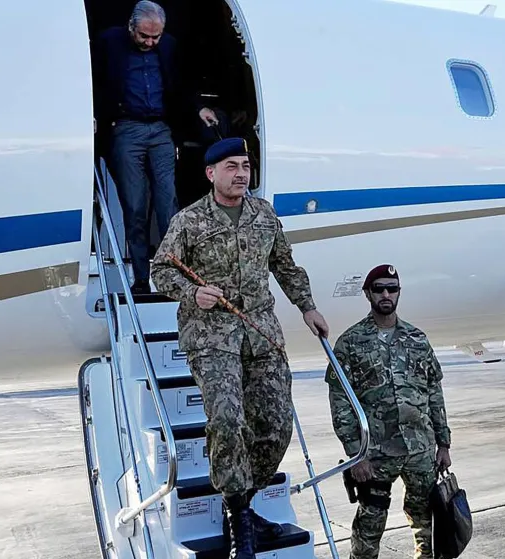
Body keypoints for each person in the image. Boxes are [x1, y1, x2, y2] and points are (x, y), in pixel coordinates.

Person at [151, 137, 329, 559]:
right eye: (231, 166)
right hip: (211, 338)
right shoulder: (190, 221)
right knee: (228, 422)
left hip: (262, 332)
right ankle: (238, 520)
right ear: (211, 173)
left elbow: (284, 264)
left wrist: (307, 307)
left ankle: (244, 504)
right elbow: (159, 270)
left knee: (277, 425)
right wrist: (192, 294)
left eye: (246, 166)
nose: (241, 174)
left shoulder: (264, 215)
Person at [326, 264, 451, 559]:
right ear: (368, 293)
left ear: (398, 293)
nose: (386, 294)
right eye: (379, 289)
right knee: (370, 521)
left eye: (392, 289)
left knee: (426, 520)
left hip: (420, 448)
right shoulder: (350, 343)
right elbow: (341, 402)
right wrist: (357, 454)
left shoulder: (417, 339)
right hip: (376, 453)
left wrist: (443, 443)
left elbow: (434, 391)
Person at [93, 0, 219, 294]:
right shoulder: (109, 42)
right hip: (126, 128)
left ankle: (172, 277)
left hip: (162, 129)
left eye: (155, 37)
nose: (150, 42)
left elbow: (181, 84)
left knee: (168, 204)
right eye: (143, 36)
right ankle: (140, 279)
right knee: (135, 206)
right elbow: (95, 81)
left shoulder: (169, 46)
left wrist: (198, 108)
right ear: (130, 27)